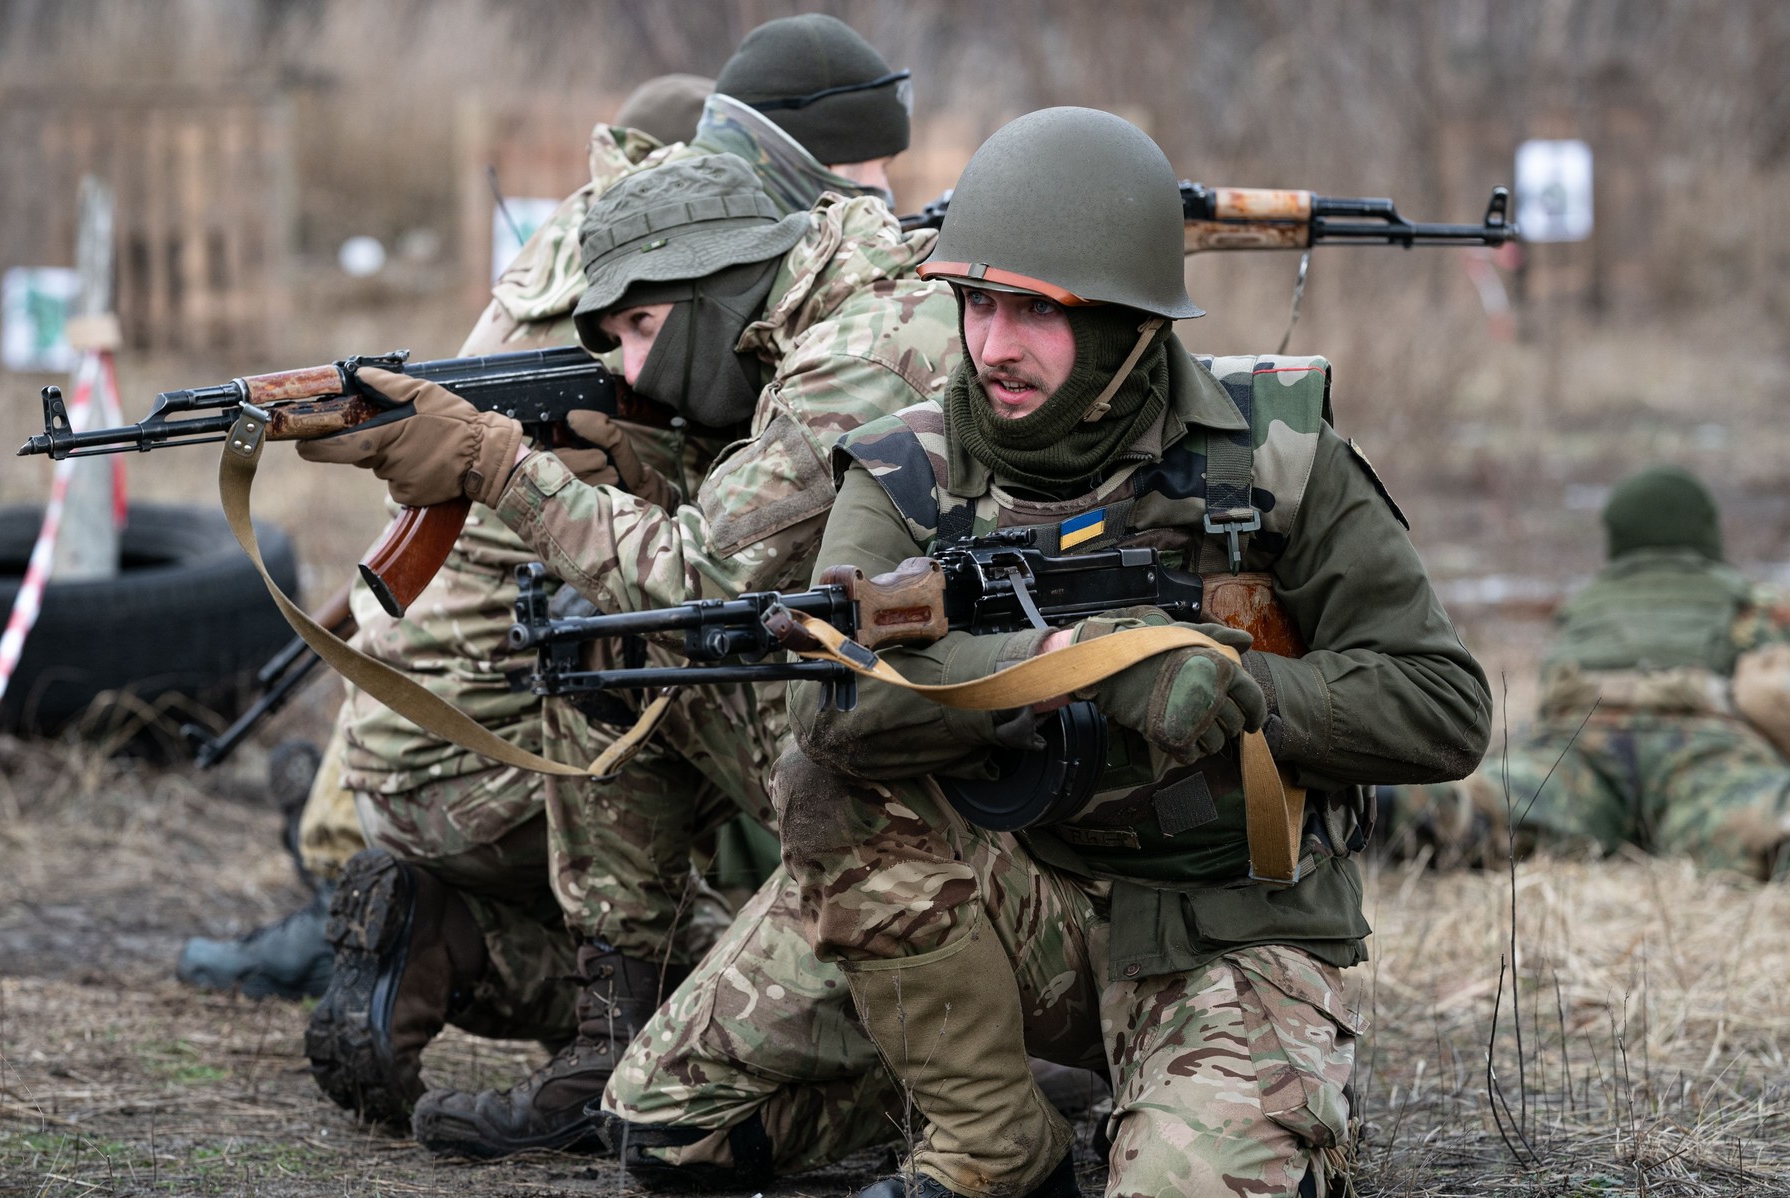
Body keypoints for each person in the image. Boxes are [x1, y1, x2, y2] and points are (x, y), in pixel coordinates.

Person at [763, 107, 1492, 1198]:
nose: (991, 346)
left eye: (1034, 313)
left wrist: (1231, 684)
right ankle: (999, 1139)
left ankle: (1233, 1095)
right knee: (684, 1126)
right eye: (976, 302)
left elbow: (1445, 705)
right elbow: (829, 709)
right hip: (1022, 912)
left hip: (1232, 929)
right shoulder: (907, 467)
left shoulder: (1278, 452)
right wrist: (1063, 660)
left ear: (1127, 325)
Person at [298, 146, 961, 1164]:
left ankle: (966, 1076)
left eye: (642, 330)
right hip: (906, 717)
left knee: (619, 634)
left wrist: (497, 465)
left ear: (717, 284)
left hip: (966, 784)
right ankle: (604, 1045)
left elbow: (706, 577)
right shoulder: (820, 305)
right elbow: (769, 518)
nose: (633, 369)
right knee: (598, 642)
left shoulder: (862, 347)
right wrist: (638, 462)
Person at [170, 71, 717, 1025]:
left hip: (469, 727)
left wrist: (622, 460)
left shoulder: (578, 267)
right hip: (468, 728)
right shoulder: (637, 278)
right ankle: (351, 872)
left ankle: (352, 862)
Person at [1380, 465, 1790, 880]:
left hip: (1580, 737)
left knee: (1502, 804)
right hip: (1703, 742)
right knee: (1754, 817)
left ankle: (1394, 810)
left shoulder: (1587, 603)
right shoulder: (1753, 600)